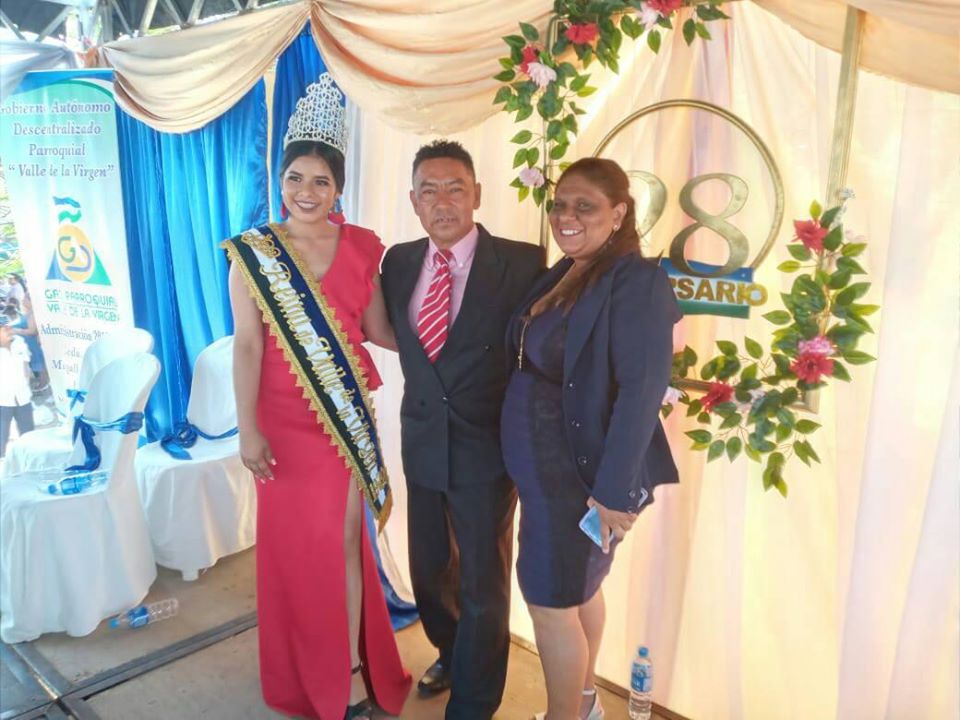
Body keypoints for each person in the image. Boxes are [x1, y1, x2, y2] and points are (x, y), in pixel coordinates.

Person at [224, 74, 410, 720]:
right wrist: (247, 428)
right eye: (295, 178)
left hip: (342, 421)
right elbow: (247, 347)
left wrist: (452, 340)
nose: (306, 191)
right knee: (297, 554)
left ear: (338, 188)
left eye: (321, 181)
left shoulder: (362, 247)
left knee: (344, 541)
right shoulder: (252, 255)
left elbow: (379, 330)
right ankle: (304, 669)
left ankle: (349, 671)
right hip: (279, 426)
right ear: (281, 181)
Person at [501, 157, 681, 719]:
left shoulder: (636, 280)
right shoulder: (570, 269)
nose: (567, 216)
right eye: (560, 205)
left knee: (550, 602)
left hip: (577, 479)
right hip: (544, 476)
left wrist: (610, 492)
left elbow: (642, 390)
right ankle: (583, 706)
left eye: (585, 206)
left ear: (619, 212)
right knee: (578, 591)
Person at [381, 140, 545, 718]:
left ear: (477, 194)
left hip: (488, 445)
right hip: (423, 437)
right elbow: (395, 335)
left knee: (483, 580)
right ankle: (452, 653)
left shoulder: (523, 263)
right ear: (413, 201)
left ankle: (475, 702)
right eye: (429, 190)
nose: (442, 202)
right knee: (429, 570)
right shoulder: (399, 262)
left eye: (455, 188)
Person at [0, 324, 34, 457]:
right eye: (4, 329)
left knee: (28, 434)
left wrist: (26, 383)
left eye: (8, 327)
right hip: (3, 400)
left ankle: (29, 458)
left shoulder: (19, 342)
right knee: (2, 434)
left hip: (23, 396)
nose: (9, 330)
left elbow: (26, 364)